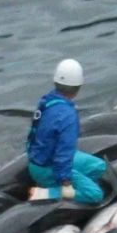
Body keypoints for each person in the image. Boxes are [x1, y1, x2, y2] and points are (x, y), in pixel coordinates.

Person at [26, 59, 106, 204]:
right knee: (95, 195)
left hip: (37, 162)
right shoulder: (68, 116)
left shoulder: (47, 101)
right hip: (48, 168)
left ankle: (67, 186)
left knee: (99, 167)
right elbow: (64, 151)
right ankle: (44, 193)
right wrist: (66, 183)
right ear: (78, 86)